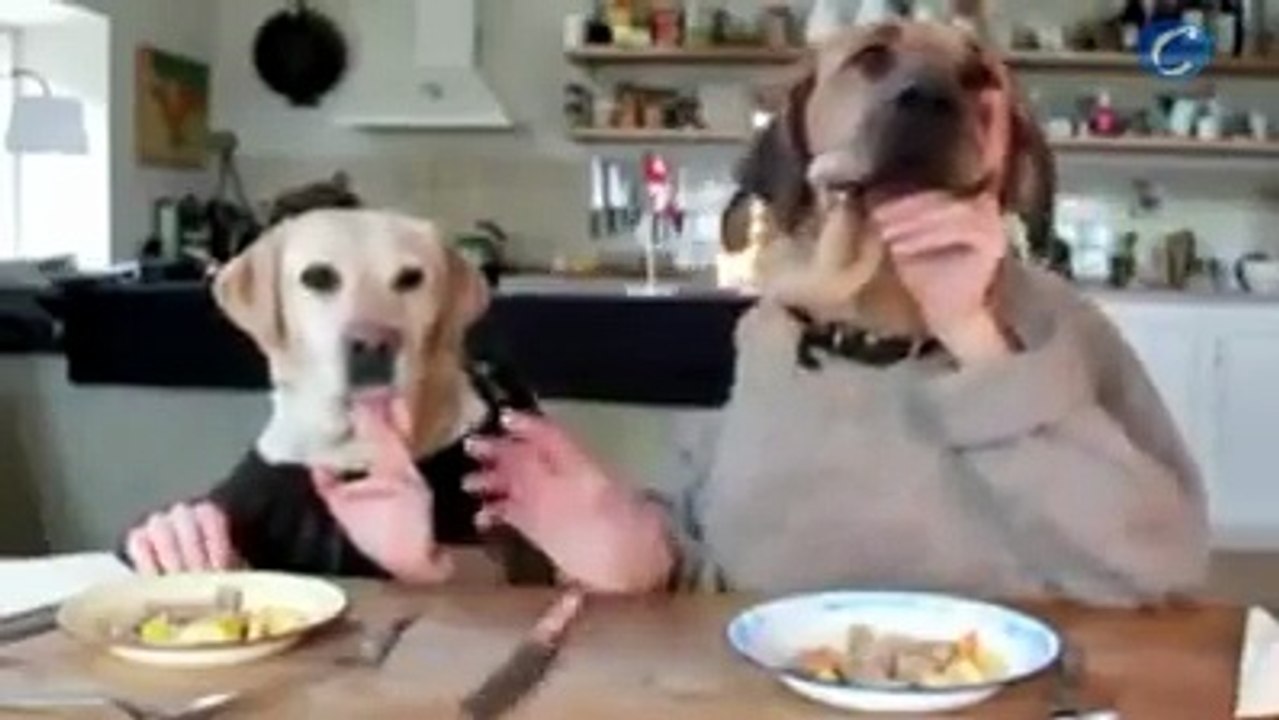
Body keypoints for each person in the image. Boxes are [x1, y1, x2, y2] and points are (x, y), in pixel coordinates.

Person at [462, 188, 1211, 606]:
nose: (914, 99)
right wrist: (644, 558)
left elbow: (1158, 569)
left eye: (963, 85)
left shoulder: (1055, 322)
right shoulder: (773, 329)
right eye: (873, 64)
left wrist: (973, 336)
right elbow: (712, 554)